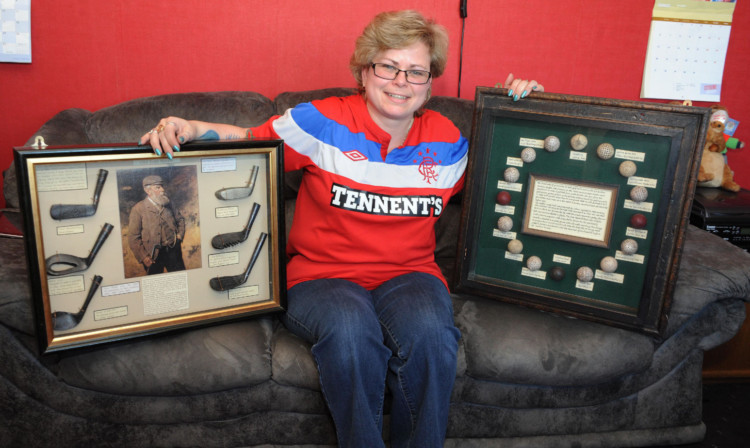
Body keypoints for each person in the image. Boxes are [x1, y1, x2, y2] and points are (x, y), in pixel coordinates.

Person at [140, 10, 542, 447]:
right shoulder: (321, 123)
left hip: (409, 274)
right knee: (352, 333)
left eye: (415, 71)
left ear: (430, 83)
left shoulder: (448, 142)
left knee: (433, 337)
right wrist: (187, 126)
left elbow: (510, 181)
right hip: (322, 276)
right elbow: (247, 139)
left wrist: (529, 110)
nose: (400, 81)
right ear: (365, 71)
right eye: (387, 66)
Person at [127, 174, 186, 275]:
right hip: (152, 255)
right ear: (148, 191)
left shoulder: (169, 203)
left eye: (162, 186)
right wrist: (144, 257)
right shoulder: (138, 209)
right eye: (158, 187)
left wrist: (180, 236)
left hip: (173, 251)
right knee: (155, 283)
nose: (162, 189)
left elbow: (180, 220)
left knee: (180, 278)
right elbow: (133, 237)